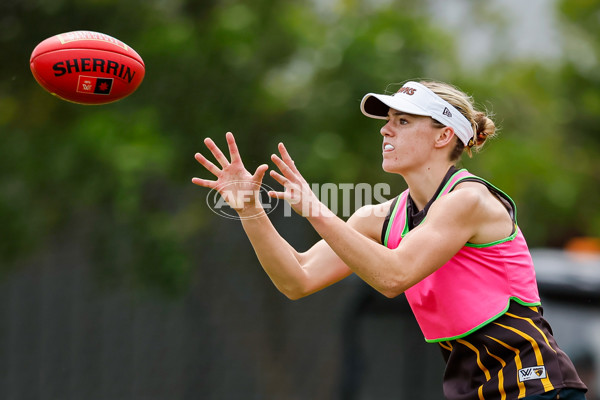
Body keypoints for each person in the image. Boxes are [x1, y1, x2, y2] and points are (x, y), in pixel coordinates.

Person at [192, 80, 588, 399]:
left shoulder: (467, 200)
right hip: (475, 390)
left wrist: (314, 207)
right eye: (388, 120)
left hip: (535, 385)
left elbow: (394, 276)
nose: (385, 128)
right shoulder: (378, 217)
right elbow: (296, 279)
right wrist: (250, 209)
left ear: (443, 135)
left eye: (403, 120)